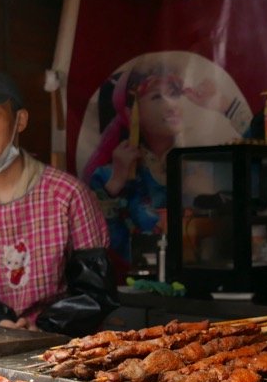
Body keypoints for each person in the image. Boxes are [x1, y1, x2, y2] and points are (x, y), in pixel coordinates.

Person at [0, 68, 117, 336]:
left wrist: (42, 326)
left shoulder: (68, 195)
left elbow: (95, 291)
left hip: (62, 346)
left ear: (20, 120)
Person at [81, 63, 189, 273]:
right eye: (157, 97)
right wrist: (116, 181)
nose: (171, 106)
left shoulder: (200, 164)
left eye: (174, 94)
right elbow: (97, 242)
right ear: (131, 112)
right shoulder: (107, 174)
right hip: (139, 289)